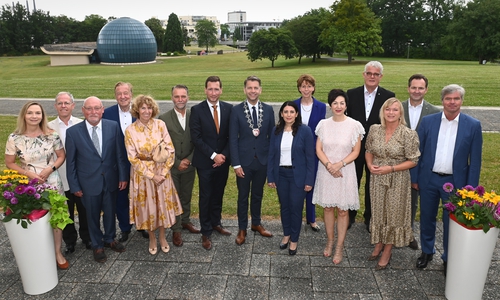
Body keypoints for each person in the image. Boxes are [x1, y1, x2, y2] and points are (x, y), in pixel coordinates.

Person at [414, 84, 482, 276]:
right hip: (429, 179)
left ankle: (448, 257)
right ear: (442, 100)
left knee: (451, 221)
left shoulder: (473, 125)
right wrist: (415, 178)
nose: (452, 102)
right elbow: (417, 153)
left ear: (462, 101)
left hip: (456, 183)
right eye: (448, 99)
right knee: (427, 217)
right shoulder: (428, 122)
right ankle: (427, 251)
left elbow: (475, 160)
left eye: (456, 99)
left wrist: (470, 188)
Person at [5, 101, 69, 269]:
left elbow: (61, 156)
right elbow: (10, 163)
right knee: (35, 219)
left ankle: (57, 252)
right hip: (29, 185)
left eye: (38, 113)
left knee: (56, 218)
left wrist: (50, 168)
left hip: (52, 182)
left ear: (42, 116)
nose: (34, 116)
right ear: (24, 115)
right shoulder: (14, 138)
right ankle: (38, 253)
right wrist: (29, 174)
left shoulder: (51, 135)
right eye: (30, 113)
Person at [66, 96, 129, 263]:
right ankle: (97, 244)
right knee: (91, 215)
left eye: (96, 108)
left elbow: (119, 155)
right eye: (89, 108)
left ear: (102, 110)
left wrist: (123, 176)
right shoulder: (73, 132)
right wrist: (74, 186)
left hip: (111, 180)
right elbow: (71, 163)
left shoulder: (112, 127)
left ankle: (110, 239)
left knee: (110, 212)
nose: (93, 112)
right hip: (88, 183)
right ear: (83, 111)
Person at [365, 98, 420, 270]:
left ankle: (388, 250)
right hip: (377, 178)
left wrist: (391, 168)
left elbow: (413, 160)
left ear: (400, 113)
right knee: (379, 211)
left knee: (394, 214)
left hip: (398, 178)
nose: (391, 112)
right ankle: (379, 244)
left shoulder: (408, 134)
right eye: (387, 109)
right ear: (383, 111)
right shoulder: (374, 130)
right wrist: (369, 164)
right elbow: (368, 150)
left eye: (395, 110)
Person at [124, 95, 183, 254]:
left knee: (162, 207)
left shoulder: (160, 125)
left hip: (162, 173)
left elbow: (170, 150)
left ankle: (162, 236)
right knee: (149, 209)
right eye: (143, 108)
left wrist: (163, 173)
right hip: (143, 176)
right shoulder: (130, 130)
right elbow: (132, 158)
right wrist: (151, 176)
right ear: (137, 110)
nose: (146, 111)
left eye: (149, 108)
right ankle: (152, 238)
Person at [313, 89, 364, 264]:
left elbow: (356, 151)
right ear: (330, 105)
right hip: (326, 171)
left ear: (346, 105)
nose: (338, 106)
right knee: (327, 208)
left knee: (343, 211)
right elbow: (318, 149)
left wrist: (338, 165)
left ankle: (340, 246)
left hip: (345, 172)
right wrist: (329, 165)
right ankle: (330, 241)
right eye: (335, 103)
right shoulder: (323, 124)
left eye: (342, 103)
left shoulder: (354, 125)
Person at [346, 61, 395, 231]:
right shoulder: (351, 94)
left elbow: (389, 121)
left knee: (372, 184)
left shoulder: (389, 96)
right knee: (353, 181)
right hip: (354, 148)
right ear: (364, 74)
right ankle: (350, 215)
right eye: (369, 73)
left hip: (377, 149)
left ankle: (370, 217)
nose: (372, 76)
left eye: (376, 74)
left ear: (381, 76)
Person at [229, 75, 275, 245]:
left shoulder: (269, 110)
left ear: (260, 90)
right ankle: (242, 228)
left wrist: (270, 162)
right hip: (244, 162)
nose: (253, 91)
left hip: (262, 161)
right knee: (242, 196)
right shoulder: (236, 110)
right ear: (244, 89)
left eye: (256, 88)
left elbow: (272, 138)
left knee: (257, 194)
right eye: (250, 87)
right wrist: (236, 164)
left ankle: (256, 223)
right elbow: (233, 139)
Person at [190, 76, 233, 250]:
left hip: (223, 161)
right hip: (205, 162)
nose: (213, 92)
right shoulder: (197, 110)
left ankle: (216, 222)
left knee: (218, 193)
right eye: (210, 89)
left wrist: (222, 155)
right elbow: (196, 138)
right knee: (206, 196)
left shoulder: (229, 109)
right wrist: (213, 155)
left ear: (221, 90)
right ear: (205, 90)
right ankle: (206, 231)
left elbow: (232, 136)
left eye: (216, 89)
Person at [267, 101, 314, 255]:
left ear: (296, 114)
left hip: (297, 177)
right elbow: (272, 156)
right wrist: (271, 176)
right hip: (281, 175)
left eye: (291, 112)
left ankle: (294, 239)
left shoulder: (305, 131)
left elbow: (310, 158)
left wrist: (309, 181)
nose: (288, 115)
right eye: (285, 112)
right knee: (285, 207)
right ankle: (286, 234)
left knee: (295, 208)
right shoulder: (276, 131)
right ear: (281, 114)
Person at [103, 82, 147, 241]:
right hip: (116, 165)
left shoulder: (142, 112)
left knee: (141, 196)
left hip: (140, 163)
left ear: (131, 94)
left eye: (126, 93)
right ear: (115, 96)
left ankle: (143, 225)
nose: (123, 96)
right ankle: (125, 227)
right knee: (120, 197)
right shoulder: (106, 114)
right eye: (119, 93)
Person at [48, 92, 91, 254]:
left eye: (67, 103)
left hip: (80, 177)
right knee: (65, 212)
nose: (63, 106)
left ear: (73, 106)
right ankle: (70, 241)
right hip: (59, 176)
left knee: (84, 210)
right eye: (60, 103)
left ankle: (87, 238)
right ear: (55, 106)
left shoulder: (82, 124)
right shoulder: (48, 127)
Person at [401, 74, 440, 250]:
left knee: (414, 200)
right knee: (398, 200)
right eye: (414, 87)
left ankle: (409, 234)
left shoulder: (434, 112)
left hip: (422, 163)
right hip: (398, 162)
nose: (417, 91)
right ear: (408, 88)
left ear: (426, 90)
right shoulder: (397, 108)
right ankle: (395, 232)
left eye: (420, 88)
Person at [158, 85, 199, 248]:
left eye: (183, 96)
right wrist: (176, 162)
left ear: (188, 97)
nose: (180, 100)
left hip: (190, 163)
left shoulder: (194, 115)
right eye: (177, 96)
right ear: (172, 98)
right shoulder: (164, 118)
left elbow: (198, 139)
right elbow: (160, 146)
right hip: (172, 166)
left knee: (186, 194)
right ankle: (176, 229)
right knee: (174, 197)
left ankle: (186, 221)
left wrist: (189, 159)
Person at [293, 74, 326, 232]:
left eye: (309, 86)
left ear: (313, 88)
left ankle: (311, 219)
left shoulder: (320, 106)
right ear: (299, 88)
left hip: (314, 151)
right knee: (298, 184)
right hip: (296, 151)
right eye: (303, 86)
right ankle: (297, 218)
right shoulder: (293, 105)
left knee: (310, 184)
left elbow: (321, 131)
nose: (306, 89)